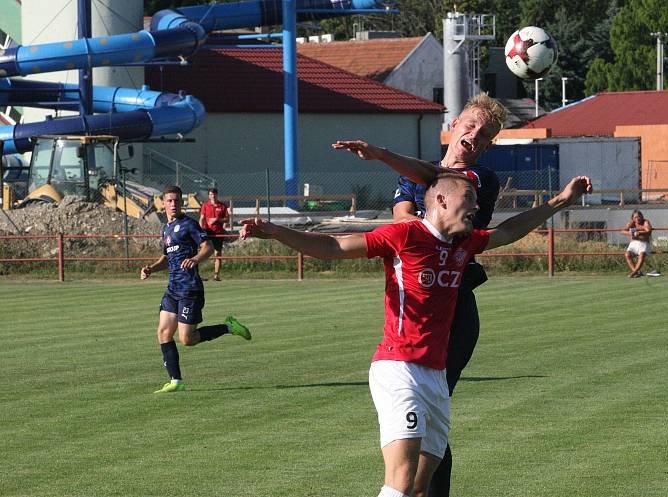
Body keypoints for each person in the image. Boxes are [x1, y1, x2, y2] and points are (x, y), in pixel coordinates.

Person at [240, 172, 592, 497]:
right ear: (440, 200)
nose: (477, 206)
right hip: (398, 369)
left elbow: (510, 231)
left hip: (435, 378)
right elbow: (333, 247)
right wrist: (275, 231)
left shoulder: (464, 243)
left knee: (420, 488)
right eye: (469, 198)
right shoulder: (404, 235)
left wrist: (561, 200)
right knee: (401, 479)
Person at [332, 93, 506, 497]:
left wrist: (380, 154)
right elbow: (403, 221)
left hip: (454, 309)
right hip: (413, 302)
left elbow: (431, 190)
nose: (475, 136)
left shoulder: (479, 180)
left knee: (433, 422)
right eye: (471, 124)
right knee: (426, 427)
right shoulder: (412, 175)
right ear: (456, 122)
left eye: (486, 134)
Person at [140, 185, 251, 394]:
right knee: (163, 332)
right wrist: (151, 269)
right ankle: (176, 381)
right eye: (169, 201)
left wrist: (195, 259)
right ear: (162, 203)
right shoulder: (166, 229)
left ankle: (229, 327)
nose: (173, 204)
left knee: (187, 339)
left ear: (181, 202)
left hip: (190, 289)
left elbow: (208, 247)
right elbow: (167, 257)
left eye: (176, 200)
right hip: (172, 289)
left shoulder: (189, 225)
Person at [199, 187, 230, 281]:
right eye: (211, 194)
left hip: (218, 233)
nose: (213, 196)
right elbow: (202, 218)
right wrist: (200, 229)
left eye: (214, 194)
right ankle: (198, 274)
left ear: (217, 195)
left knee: (218, 253)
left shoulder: (222, 206)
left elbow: (227, 219)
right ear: (209, 195)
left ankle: (216, 275)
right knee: (202, 253)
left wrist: (217, 219)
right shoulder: (205, 205)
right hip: (208, 233)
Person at [622, 210, 653, 278]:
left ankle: (633, 273)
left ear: (642, 217)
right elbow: (622, 231)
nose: (637, 218)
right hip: (633, 243)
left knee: (642, 255)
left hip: (644, 243)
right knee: (627, 254)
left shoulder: (646, 222)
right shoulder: (632, 223)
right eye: (635, 217)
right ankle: (637, 272)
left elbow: (649, 231)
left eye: (639, 216)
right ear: (633, 218)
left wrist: (639, 233)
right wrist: (630, 233)